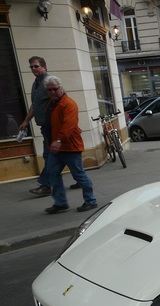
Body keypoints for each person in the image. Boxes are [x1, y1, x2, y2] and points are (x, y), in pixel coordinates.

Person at [43, 75, 97, 214]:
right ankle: (61, 203)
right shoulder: (52, 103)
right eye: (49, 90)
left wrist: (58, 140)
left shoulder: (68, 104)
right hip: (56, 148)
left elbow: (69, 125)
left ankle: (91, 201)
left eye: (55, 89)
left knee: (79, 174)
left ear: (61, 88)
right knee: (52, 173)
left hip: (69, 146)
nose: (52, 92)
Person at [19, 56, 52, 197]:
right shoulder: (36, 83)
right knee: (62, 156)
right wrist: (26, 121)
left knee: (49, 156)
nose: (33, 69)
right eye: (31, 67)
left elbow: (60, 99)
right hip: (45, 126)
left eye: (36, 66)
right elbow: (35, 105)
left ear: (44, 67)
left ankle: (46, 185)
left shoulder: (49, 82)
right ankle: (80, 179)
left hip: (52, 126)